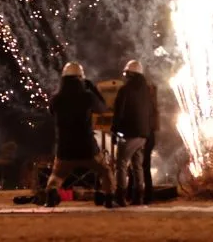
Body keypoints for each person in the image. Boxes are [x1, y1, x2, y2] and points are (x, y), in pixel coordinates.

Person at [45, 61, 116, 208]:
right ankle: (109, 199)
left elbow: (51, 111)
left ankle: (51, 195)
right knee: (105, 171)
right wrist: (93, 88)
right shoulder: (87, 96)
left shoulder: (56, 98)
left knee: (57, 175)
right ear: (81, 78)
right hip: (87, 148)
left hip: (65, 149)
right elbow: (103, 108)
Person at [112, 59, 151, 206]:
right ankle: (138, 197)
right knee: (137, 166)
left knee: (121, 164)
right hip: (143, 134)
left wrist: (115, 130)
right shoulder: (146, 91)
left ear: (129, 74)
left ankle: (120, 197)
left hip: (128, 133)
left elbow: (118, 113)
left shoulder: (125, 90)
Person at [143, 80, 160, 204]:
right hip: (149, 136)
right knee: (145, 166)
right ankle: (148, 195)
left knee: (135, 166)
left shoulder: (142, 105)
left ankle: (136, 194)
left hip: (142, 136)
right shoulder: (153, 105)